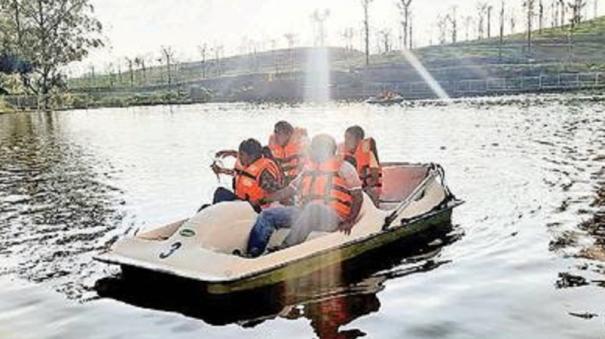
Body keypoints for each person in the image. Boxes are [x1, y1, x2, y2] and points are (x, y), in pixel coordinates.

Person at [245, 134, 364, 257]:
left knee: (313, 208)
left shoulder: (345, 168)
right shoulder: (308, 169)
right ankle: (253, 253)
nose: (310, 151)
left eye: (314, 148)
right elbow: (288, 191)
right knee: (268, 214)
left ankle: (285, 248)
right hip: (305, 212)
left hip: (333, 217)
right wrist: (261, 201)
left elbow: (358, 196)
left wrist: (350, 221)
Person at [209, 138, 284, 211]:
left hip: (256, 209)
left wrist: (259, 202)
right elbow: (240, 174)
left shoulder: (264, 173)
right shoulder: (248, 163)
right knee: (220, 193)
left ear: (252, 156)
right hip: (243, 203)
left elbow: (278, 194)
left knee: (220, 194)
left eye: (241, 154)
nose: (239, 157)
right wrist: (221, 170)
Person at [338, 126, 382, 205]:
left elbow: (375, 180)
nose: (346, 141)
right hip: (347, 186)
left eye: (349, 138)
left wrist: (360, 190)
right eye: (345, 138)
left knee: (373, 191)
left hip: (364, 187)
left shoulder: (368, 154)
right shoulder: (340, 150)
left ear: (358, 140)